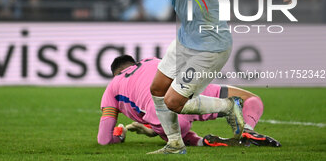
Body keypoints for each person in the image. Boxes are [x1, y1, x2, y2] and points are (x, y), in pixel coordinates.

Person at [85, 0, 246, 154]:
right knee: (157, 88)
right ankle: (174, 144)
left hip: (210, 44)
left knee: (173, 102)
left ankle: (228, 106)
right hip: (186, 38)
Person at [98, 55, 281, 148]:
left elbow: (104, 140)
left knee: (172, 128)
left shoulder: (113, 86)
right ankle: (247, 130)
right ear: (135, 62)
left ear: (116, 74)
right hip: (190, 91)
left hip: (168, 119)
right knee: (251, 99)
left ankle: (201, 142)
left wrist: (119, 136)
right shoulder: (151, 60)